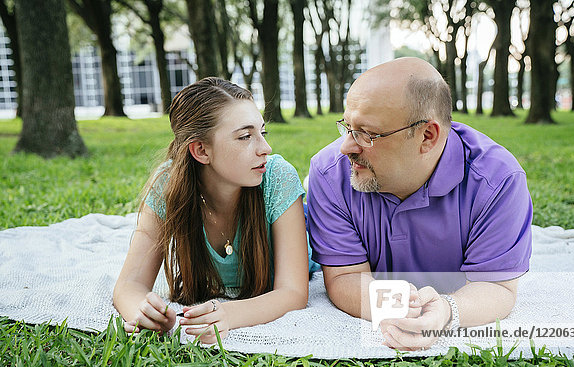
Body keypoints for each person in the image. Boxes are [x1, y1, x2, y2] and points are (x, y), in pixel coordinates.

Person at [307, 57, 532, 350]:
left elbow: (497, 287)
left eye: (367, 134)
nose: (347, 147)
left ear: (427, 136)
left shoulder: (498, 180)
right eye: (347, 127)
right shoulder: (329, 173)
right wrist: (397, 308)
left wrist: (447, 311)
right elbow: (345, 277)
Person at [113, 77, 309, 343]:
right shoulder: (168, 186)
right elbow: (129, 285)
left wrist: (229, 313)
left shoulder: (277, 178)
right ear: (201, 150)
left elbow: (294, 292)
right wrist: (144, 312)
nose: (265, 148)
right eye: (245, 136)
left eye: (262, 132)